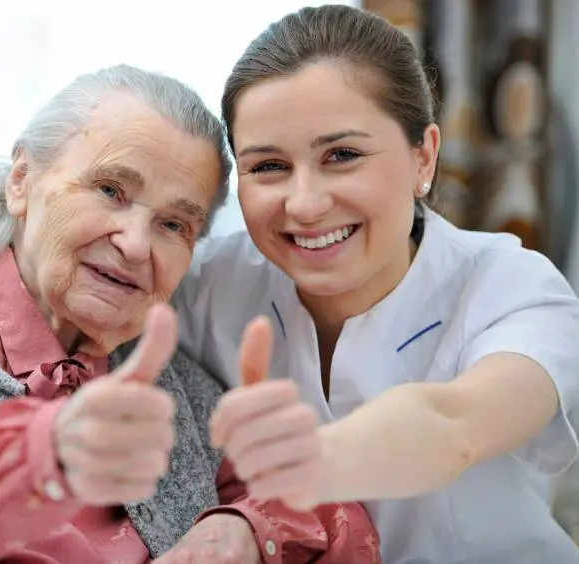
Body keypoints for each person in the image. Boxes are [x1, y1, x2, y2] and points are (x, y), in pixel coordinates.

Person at [0, 65, 380, 563]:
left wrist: (241, 531)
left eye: (173, 224)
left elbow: (334, 511)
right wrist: (49, 448)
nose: (137, 245)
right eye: (110, 190)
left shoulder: (178, 391)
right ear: (21, 180)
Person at [173, 5, 579, 563]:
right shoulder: (208, 283)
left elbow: (455, 425)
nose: (306, 204)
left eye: (342, 155)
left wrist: (303, 469)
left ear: (424, 157)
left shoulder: (511, 287)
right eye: (268, 166)